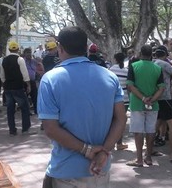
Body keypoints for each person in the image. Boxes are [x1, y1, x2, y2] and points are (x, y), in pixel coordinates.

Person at [38, 26, 126, 187]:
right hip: (100, 168)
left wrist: (87, 150)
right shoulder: (109, 76)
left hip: (67, 172)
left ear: (60, 48)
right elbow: (121, 119)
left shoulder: (50, 79)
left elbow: (50, 129)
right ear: (85, 48)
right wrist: (103, 152)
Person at [126, 44, 165, 167]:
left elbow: (130, 86)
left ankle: (139, 159)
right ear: (151, 55)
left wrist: (143, 98)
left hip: (137, 103)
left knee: (138, 131)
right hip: (153, 104)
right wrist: (152, 99)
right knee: (150, 131)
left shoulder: (133, 66)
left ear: (140, 54)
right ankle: (148, 157)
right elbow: (161, 88)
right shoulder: (157, 68)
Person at [0, 41, 32, 136]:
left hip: (8, 87)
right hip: (18, 87)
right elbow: (25, 74)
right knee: (25, 107)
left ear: (9, 50)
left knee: (10, 109)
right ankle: (25, 129)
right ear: (18, 49)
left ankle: (12, 129)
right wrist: (28, 84)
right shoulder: (20, 59)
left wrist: (4, 83)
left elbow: (2, 75)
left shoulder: (4, 60)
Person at [109, 52, 129, 150]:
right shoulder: (126, 71)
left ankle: (110, 143)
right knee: (120, 121)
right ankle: (119, 143)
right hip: (124, 99)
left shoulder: (111, 70)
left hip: (112, 98)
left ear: (115, 59)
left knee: (112, 120)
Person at [23, 48, 43, 115]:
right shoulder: (22, 61)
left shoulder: (34, 61)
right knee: (25, 97)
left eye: (30, 52)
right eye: (27, 52)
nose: (29, 54)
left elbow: (40, 65)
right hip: (25, 82)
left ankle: (36, 110)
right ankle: (27, 111)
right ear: (24, 53)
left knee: (35, 96)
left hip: (33, 81)